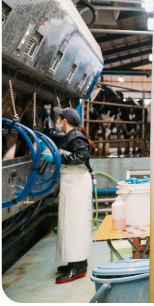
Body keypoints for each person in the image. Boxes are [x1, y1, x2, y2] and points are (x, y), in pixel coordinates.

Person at [41, 107, 92, 284]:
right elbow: (54, 137)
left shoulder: (76, 136)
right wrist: (45, 118)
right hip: (72, 182)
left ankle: (77, 268)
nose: (58, 120)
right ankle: (76, 261)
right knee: (70, 223)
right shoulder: (70, 135)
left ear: (64, 121)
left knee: (75, 223)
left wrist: (57, 158)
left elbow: (83, 155)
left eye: (58, 117)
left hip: (77, 183)